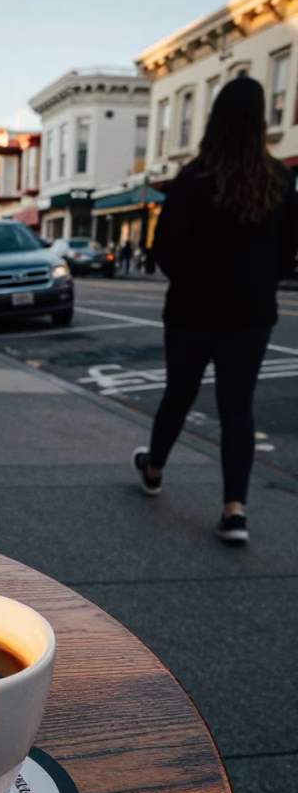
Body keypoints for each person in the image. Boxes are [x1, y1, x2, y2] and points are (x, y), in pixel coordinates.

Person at [133, 76, 298, 545]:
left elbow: (164, 249)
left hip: (191, 310)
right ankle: (234, 510)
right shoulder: (280, 181)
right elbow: (288, 256)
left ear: (215, 118)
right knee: (237, 408)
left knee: (179, 394)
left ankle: (155, 469)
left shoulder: (195, 177)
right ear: (260, 120)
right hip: (250, 315)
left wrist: (194, 275)